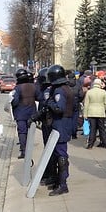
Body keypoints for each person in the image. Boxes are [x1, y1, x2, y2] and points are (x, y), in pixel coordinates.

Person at [45, 64, 75, 196]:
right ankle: (59, 181)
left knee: (61, 154)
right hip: (64, 123)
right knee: (59, 153)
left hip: (61, 123)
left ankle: (63, 184)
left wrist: (49, 102)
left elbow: (59, 108)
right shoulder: (65, 88)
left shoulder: (59, 91)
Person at [10, 68, 37, 159]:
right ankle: (29, 149)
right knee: (30, 132)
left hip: (20, 114)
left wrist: (12, 104)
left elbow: (15, 101)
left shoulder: (18, 88)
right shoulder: (33, 86)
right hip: (32, 113)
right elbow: (38, 97)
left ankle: (23, 151)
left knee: (22, 132)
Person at [83, 78, 106, 149]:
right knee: (102, 129)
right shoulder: (103, 92)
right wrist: (103, 108)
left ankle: (90, 144)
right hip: (101, 112)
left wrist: (85, 114)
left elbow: (86, 104)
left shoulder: (89, 92)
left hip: (91, 112)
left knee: (92, 128)